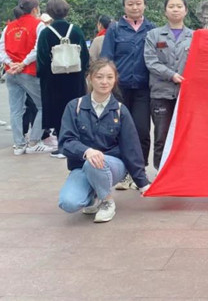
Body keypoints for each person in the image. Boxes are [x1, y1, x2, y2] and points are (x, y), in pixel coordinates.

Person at [58, 59, 150, 223]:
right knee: (68, 203)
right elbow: (66, 142)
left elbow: (132, 148)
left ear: (115, 80)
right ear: (90, 78)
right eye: (99, 77)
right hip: (82, 166)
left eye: (109, 77)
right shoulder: (74, 107)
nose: (104, 82)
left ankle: (107, 201)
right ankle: (93, 194)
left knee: (95, 163)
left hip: (113, 166)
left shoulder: (120, 110)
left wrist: (142, 183)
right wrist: (86, 151)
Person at [101, 0, 156, 188]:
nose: (135, 7)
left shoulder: (152, 29)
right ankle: (121, 172)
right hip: (119, 89)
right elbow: (106, 58)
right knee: (118, 130)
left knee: (141, 130)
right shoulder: (115, 29)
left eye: (138, 3)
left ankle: (139, 173)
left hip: (143, 88)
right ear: (124, 6)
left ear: (145, 5)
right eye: (130, 4)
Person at [0, 0, 56, 155]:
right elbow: (38, 48)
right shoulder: (38, 25)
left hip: (11, 72)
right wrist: (23, 63)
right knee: (44, 106)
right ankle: (34, 142)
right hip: (29, 72)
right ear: (35, 9)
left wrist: (10, 63)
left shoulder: (9, 27)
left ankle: (19, 144)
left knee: (16, 109)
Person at [144, 0, 194, 170]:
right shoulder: (154, 35)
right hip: (161, 93)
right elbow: (151, 61)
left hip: (186, 95)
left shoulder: (195, 36)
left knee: (185, 137)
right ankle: (161, 173)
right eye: (171, 6)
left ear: (186, 10)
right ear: (165, 11)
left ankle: (182, 172)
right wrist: (171, 75)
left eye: (179, 6)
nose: (175, 10)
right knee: (161, 136)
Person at [36, 0, 89, 158]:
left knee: (58, 111)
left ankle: (62, 145)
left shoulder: (46, 32)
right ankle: (77, 144)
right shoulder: (76, 30)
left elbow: (42, 59)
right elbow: (85, 56)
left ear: (49, 12)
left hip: (53, 80)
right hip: (75, 78)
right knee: (76, 109)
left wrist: (43, 75)